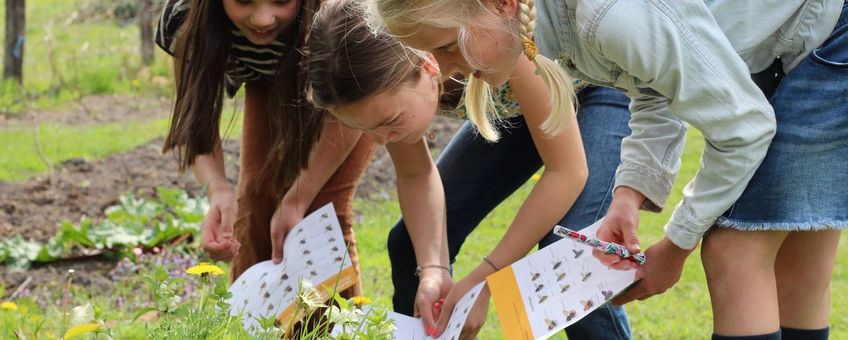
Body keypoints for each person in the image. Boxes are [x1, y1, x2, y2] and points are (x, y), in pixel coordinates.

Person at [368, 0, 846, 338]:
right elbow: (659, 87)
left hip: (831, 33)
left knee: (730, 250)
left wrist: (677, 245)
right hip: (797, 40)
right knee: (797, 260)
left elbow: (744, 129)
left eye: (449, 46)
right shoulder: (554, 28)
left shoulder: (604, 17)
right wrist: (629, 193)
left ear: (502, 4)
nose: (449, 70)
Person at [307, 1, 633, 338]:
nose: (381, 140)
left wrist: (486, 278)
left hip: (595, 88)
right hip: (517, 111)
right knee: (409, 244)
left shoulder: (507, 44)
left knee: (567, 255)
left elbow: (567, 172)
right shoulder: (395, 74)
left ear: (426, 64)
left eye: (389, 123)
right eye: (368, 130)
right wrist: (433, 269)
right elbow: (416, 175)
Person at [154, 0, 377, 297]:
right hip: (267, 78)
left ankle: (339, 330)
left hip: (350, 92)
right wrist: (218, 190)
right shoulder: (185, 15)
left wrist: (299, 197)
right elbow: (193, 116)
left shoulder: (344, 10)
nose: (262, 19)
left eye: (281, 0)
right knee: (256, 197)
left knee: (319, 212)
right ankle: (253, 325)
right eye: (244, 0)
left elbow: (352, 106)